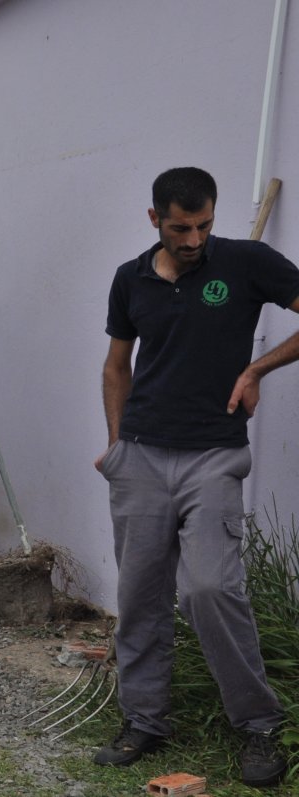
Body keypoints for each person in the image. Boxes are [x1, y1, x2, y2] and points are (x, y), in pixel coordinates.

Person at [95, 166, 299, 788]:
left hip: (213, 455)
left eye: (204, 225)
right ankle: (146, 720)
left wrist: (257, 368)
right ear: (154, 219)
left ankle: (259, 724)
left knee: (209, 588)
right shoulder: (130, 279)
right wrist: (115, 447)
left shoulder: (245, 263)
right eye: (181, 227)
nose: (193, 239)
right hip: (142, 456)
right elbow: (116, 366)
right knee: (139, 598)